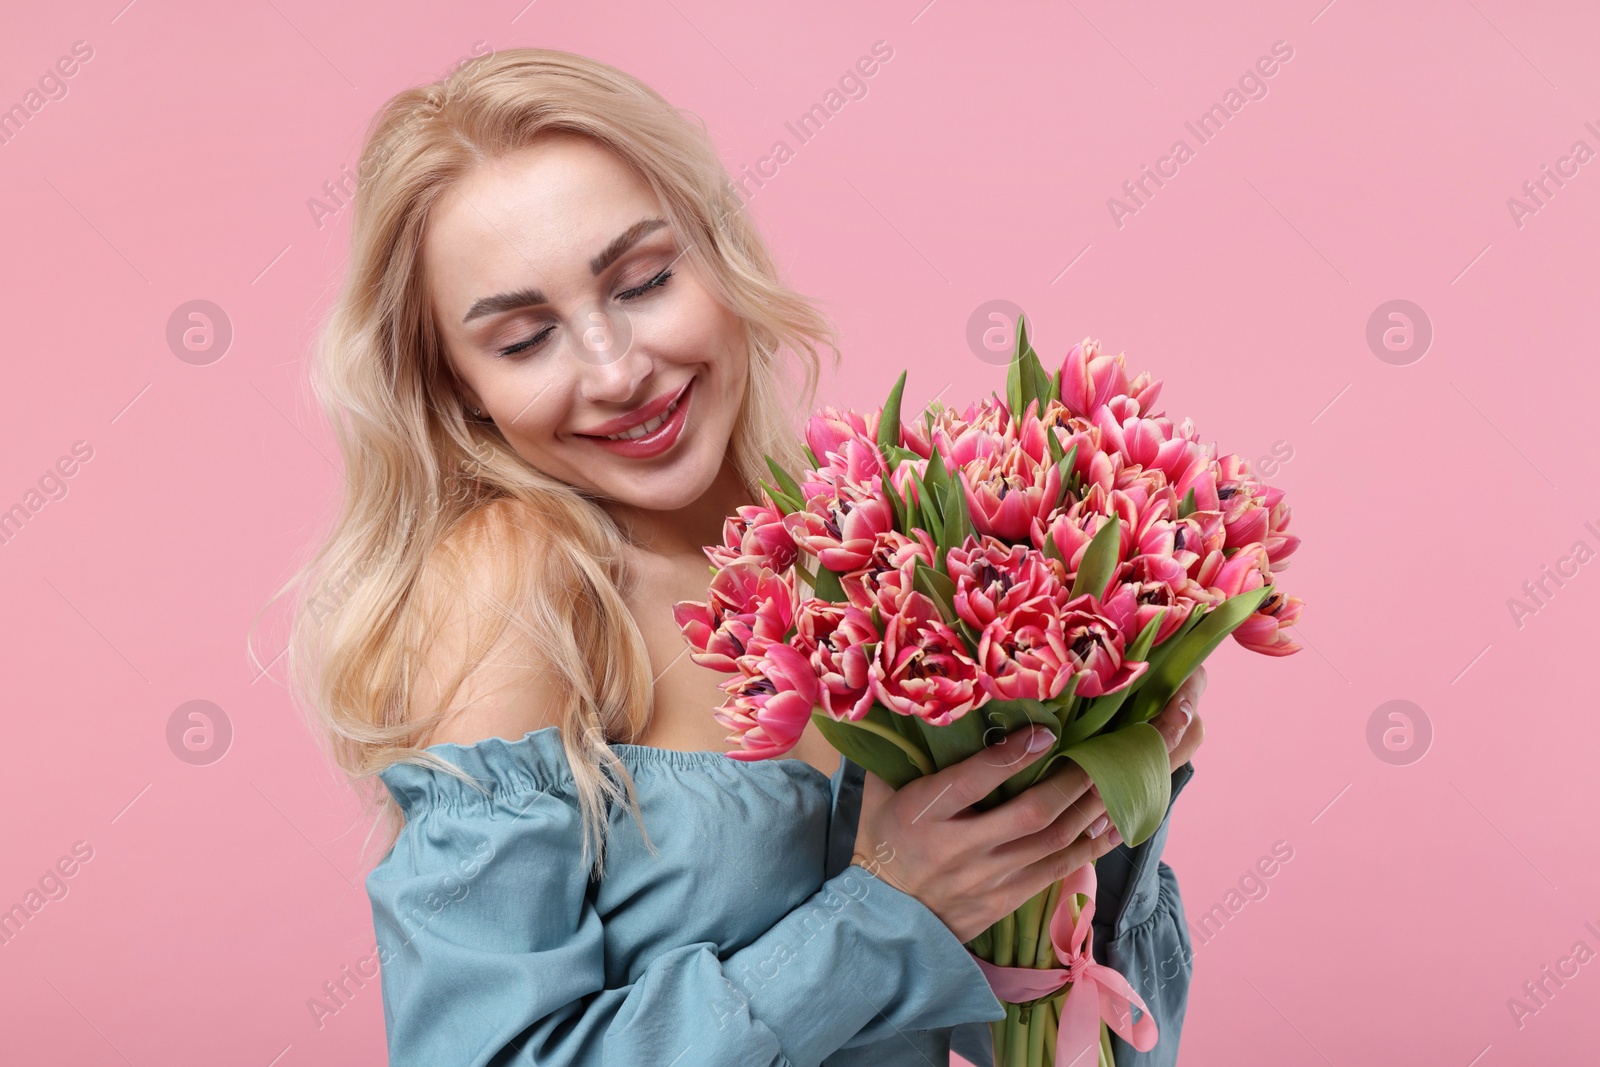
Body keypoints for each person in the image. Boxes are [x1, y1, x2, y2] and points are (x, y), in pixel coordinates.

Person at [264, 47, 1205, 1066]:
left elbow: (1088, 1037)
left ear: (717, 254)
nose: (617, 370)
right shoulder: (518, 586)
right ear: (460, 392)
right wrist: (883, 912)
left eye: (645, 280)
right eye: (524, 338)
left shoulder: (872, 555)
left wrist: (1103, 785)